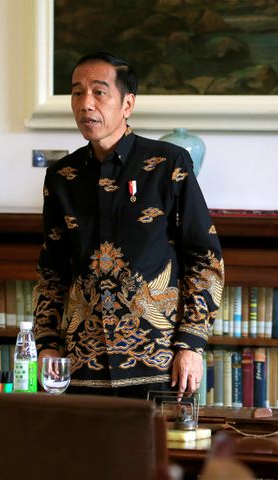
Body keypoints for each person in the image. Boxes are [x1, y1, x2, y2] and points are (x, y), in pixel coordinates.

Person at [33, 51, 223, 399]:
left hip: (159, 363)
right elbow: (52, 271)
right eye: (77, 93)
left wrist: (192, 344)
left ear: (127, 104)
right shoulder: (62, 177)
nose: (85, 104)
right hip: (81, 366)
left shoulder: (168, 164)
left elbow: (204, 258)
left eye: (99, 92)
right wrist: (46, 343)